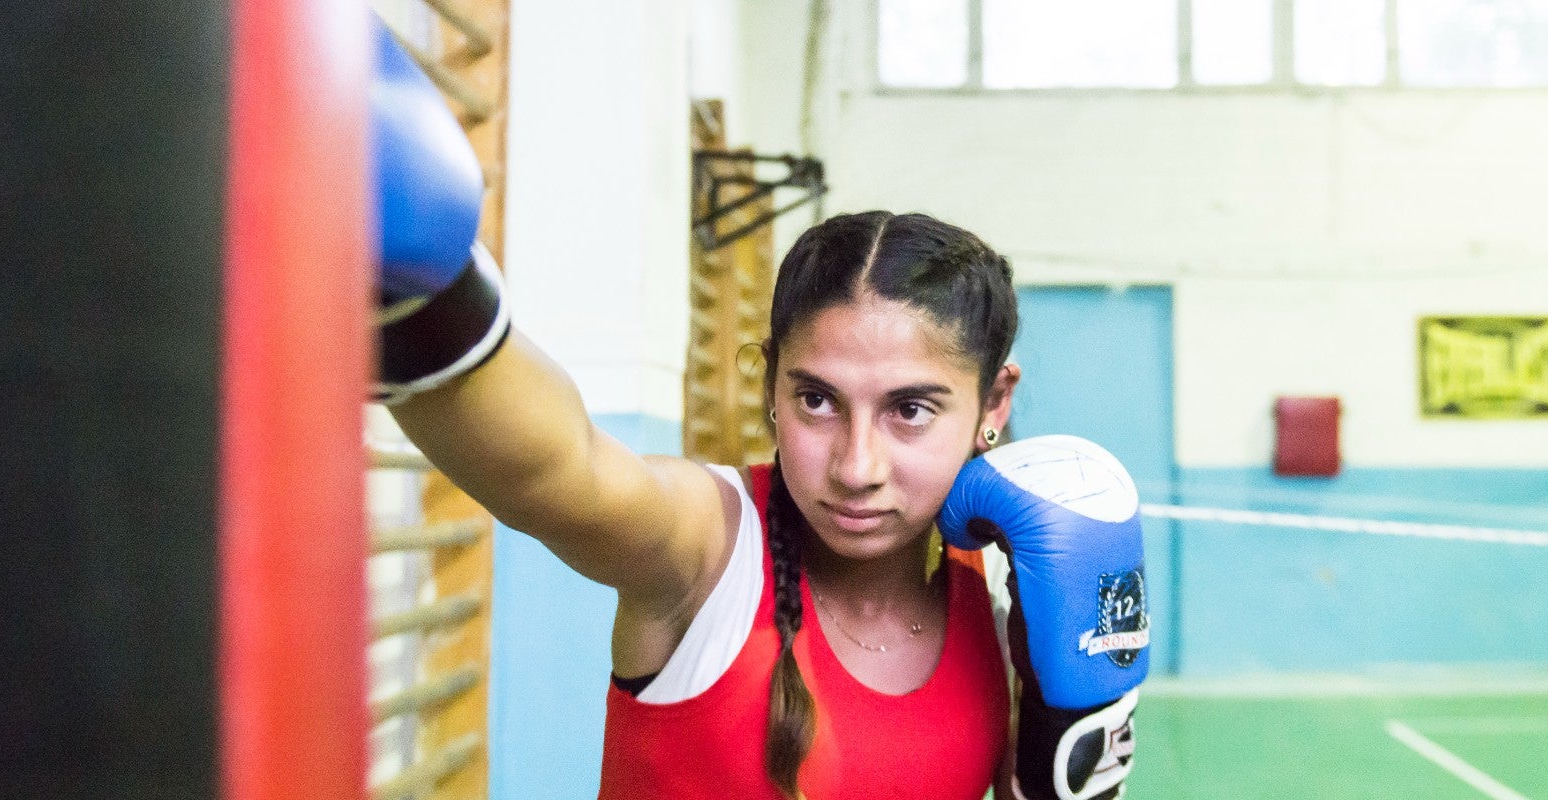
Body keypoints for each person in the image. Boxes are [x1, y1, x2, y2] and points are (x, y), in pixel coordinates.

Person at [371, 21, 1140, 797]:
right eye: (817, 400)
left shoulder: (1009, 594)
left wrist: (1072, 748)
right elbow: (563, 467)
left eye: (909, 409)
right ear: (771, 386)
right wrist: (424, 301)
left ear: (993, 402)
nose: (856, 467)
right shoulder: (707, 550)